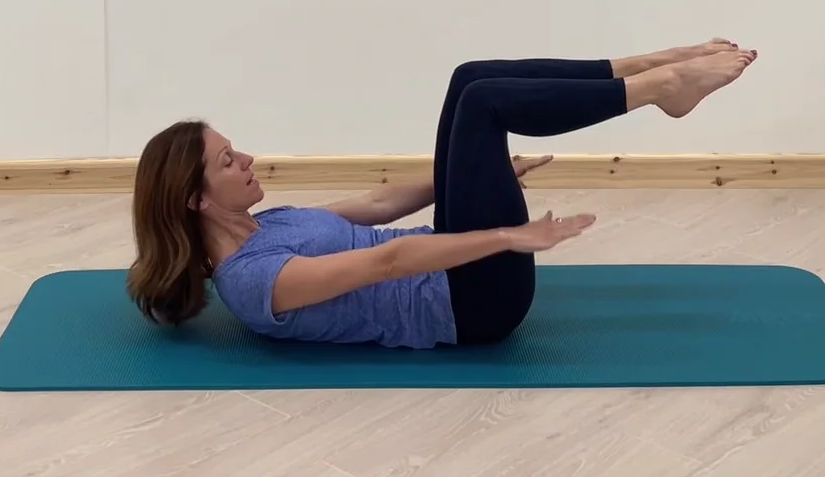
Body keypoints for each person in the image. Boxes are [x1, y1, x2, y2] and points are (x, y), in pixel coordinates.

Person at [127, 40, 757, 348]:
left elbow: (378, 209)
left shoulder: (270, 224)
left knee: (469, 80)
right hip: (475, 305)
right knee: (484, 103)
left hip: (457, 262)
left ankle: (646, 66)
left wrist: (476, 171)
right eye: (228, 161)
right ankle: (660, 89)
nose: (247, 160)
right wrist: (512, 235)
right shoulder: (252, 281)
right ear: (195, 200)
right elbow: (387, 261)